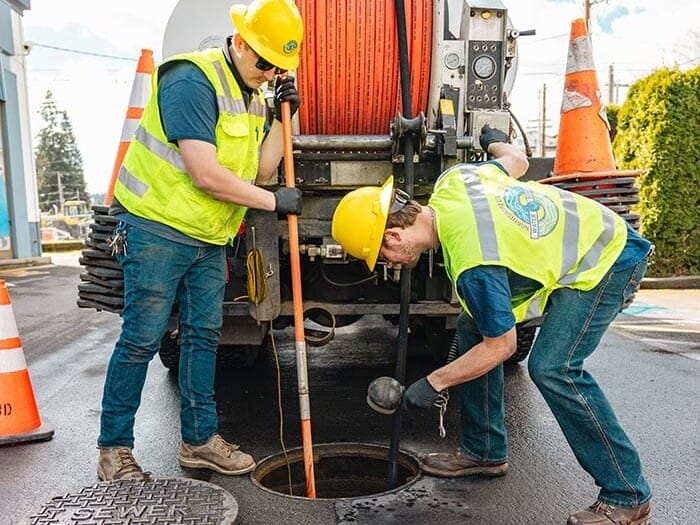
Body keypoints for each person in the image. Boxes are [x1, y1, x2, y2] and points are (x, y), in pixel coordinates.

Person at [331, 124, 653, 525]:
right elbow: (515, 161)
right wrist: (494, 140)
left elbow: (501, 345)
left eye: (383, 258)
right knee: (471, 326)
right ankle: (484, 451)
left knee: (554, 368)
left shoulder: (473, 262)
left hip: (608, 260)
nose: (389, 266)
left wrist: (433, 383)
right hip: (587, 242)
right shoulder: (455, 181)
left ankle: (627, 493)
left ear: (394, 235)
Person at [97, 0, 304, 481]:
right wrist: (275, 204)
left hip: (207, 237)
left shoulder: (253, 95)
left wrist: (283, 115)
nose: (270, 71)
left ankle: (199, 441)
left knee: (204, 337)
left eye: (278, 66)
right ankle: (114, 450)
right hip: (156, 229)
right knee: (142, 339)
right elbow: (206, 174)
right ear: (240, 41)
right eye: (264, 61)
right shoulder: (191, 80)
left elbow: (262, 170)